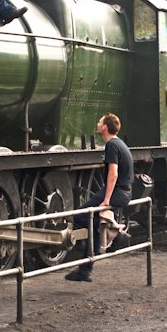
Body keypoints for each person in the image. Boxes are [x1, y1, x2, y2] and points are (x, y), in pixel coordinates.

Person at [65, 112, 133, 282]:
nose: (97, 123)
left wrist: (107, 199)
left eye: (100, 122)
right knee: (91, 221)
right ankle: (85, 269)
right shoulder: (120, 144)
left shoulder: (111, 145)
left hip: (117, 192)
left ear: (105, 127)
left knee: (81, 216)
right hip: (124, 191)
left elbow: (113, 174)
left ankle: (116, 235)